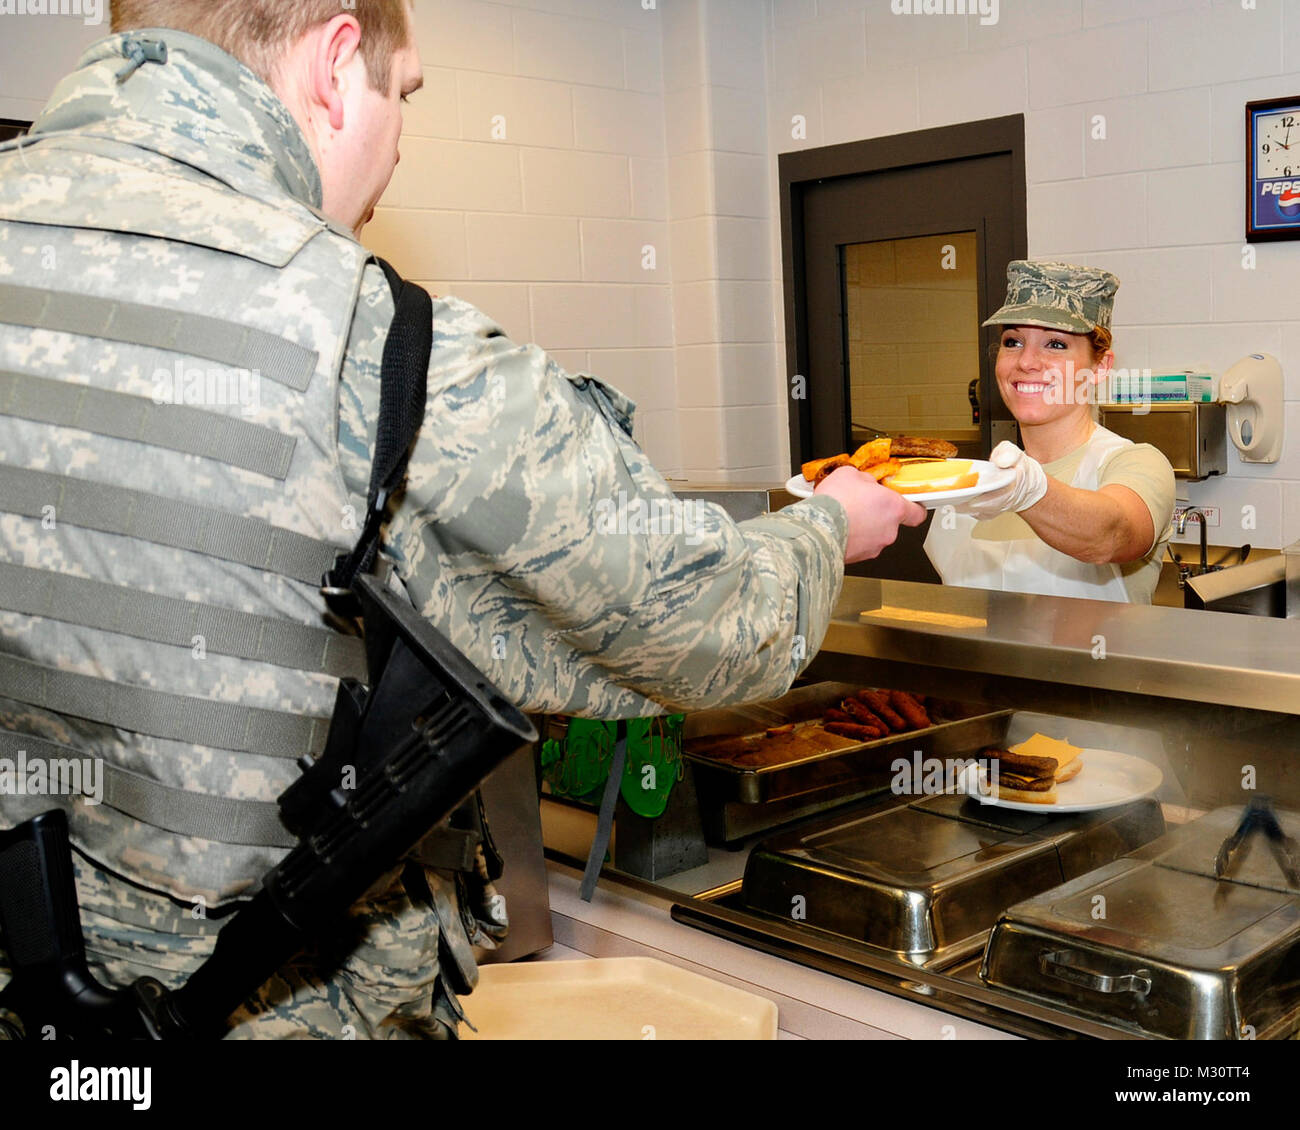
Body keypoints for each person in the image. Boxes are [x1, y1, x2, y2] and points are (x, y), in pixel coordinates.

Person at [0, 0, 923, 1039]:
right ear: (336, 62)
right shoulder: (368, 340)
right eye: (405, 94)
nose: (402, 138)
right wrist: (826, 527)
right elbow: (709, 626)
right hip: (269, 1005)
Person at [925, 261, 1175, 604]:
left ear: (1100, 367)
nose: (1027, 362)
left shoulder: (1137, 464)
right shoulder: (977, 481)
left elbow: (1111, 534)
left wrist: (1030, 493)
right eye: (1013, 341)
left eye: (1055, 344)